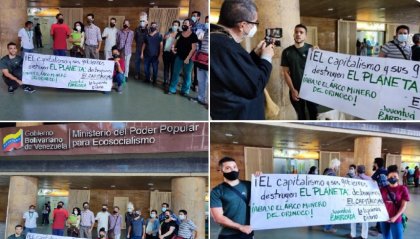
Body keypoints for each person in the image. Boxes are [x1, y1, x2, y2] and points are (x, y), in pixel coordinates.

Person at [210, 0, 274, 120]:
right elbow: (254, 86)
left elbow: (235, 73)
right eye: (255, 23)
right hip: (239, 115)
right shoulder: (226, 47)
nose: (255, 27)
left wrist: (254, 55)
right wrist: (266, 58)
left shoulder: (219, 39)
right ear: (242, 25)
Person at [210, 157, 253, 239]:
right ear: (221, 171)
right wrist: (240, 227)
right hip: (228, 235)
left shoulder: (249, 185)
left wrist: (261, 178)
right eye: (227, 168)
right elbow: (218, 218)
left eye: (234, 167)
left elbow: (266, 196)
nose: (232, 170)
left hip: (248, 232)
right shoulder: (217, 191)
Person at [282, 24, 318, 120]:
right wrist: (293, 89)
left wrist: (319, 55)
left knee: (313, 114)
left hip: (311, 89)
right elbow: (285, 73)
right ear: (293, 34)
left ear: (305, 36)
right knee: (301, 116)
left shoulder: (312, 49)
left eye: (301, 32)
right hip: (296, 89)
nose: (298, 34)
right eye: (296, 32)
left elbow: (319, 69)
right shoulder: (287, 52)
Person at [168, 19, 199, 96]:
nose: (184, 24)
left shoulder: (193, 35)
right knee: (175, 73)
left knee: (187, 74)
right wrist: (173, 48)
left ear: (190, 25)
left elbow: (193, 48)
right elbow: (174, 43)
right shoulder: (179, 34)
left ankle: (185, 91)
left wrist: (188, 58)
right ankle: (172, 89)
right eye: (183, 23)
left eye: (186, 23)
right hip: (179, 56)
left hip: (189, 58)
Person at [380, 165, 410, 239]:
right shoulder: (383, 189)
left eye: (395, 176)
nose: (393, 178)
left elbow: (403, 206)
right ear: (387, 178)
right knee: (385, 237)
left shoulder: (403, 189)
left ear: (398, 177)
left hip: (396, 218)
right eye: (390, 176)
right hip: (383, 218)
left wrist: (395, 217)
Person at [349, 165, 371, 239]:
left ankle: (353, 235)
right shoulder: (369, 179)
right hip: (366, 202)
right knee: (365, 219)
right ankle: (364, 236)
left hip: (355, 202)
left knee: (353, 218)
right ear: (364, 171)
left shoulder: (353, 179)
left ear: (357, 171)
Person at [194, 15, 209, 107]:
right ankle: (200, 98)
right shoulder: (204, 31)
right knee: (201, 79)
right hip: (201, 57)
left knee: (208, 81)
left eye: (209, 21)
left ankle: (208, 102)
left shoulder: (215, 34)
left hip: (209, 59)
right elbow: (198, 38)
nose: (207, 23)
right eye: (206, 21)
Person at [190, 10, 207, 92]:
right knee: (187, 67)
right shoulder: (189, 25)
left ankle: (195, 84)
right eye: (192, 15)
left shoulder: (202, 26)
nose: (193, 17)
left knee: (196, 68)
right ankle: (188, 83)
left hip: (197, 50)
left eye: (195, 15)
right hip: (188, 49)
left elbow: (202, 38)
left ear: (198, 17)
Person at [162, 20, 180, 87]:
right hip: (166, 52)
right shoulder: (167, 33)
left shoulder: (179, 34)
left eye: (176, 25)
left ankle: (171, 82)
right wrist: (165, 38)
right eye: (174, 25)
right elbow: (163, 41)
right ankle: (165, 81)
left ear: (178, 26)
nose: (174, 26)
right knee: (166, 67)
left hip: (174, 53)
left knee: (173, 68)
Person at [134, 12, 149, 81]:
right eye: (141, 21)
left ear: (146, 21)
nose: (142, 22)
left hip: (147, 49)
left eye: (143, 21)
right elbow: (135, 38)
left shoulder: (149, 29)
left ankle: (147, 75)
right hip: (138, 48)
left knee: (147, 63)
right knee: (137, 61)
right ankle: (137, 73)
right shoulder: (137, 29)